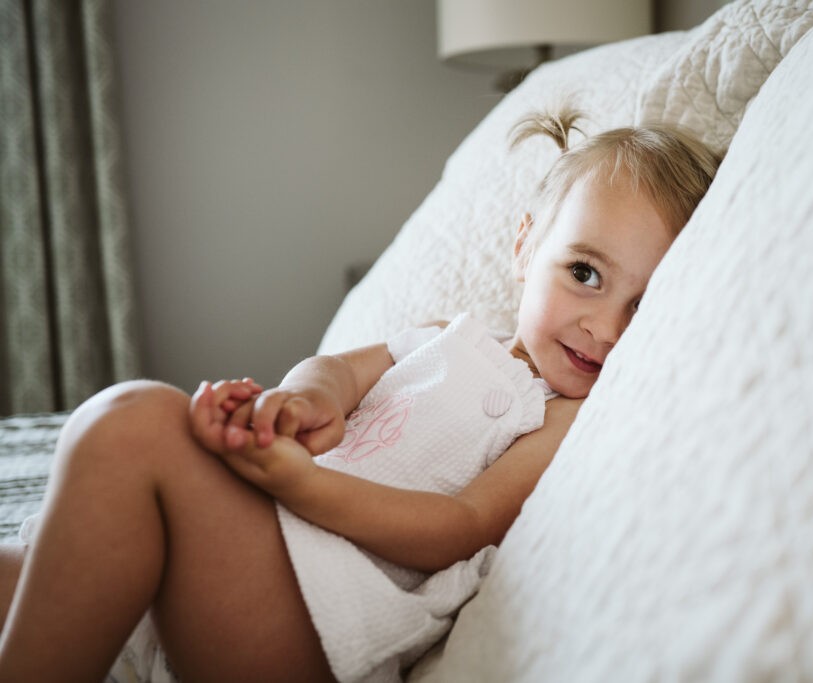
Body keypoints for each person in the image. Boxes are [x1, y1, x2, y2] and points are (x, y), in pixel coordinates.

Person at [0, 107, 719, 682]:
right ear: (526, 246)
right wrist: (302, 401)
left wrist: (301, 485)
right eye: (586, 273)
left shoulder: (562, 420)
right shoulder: (449, 334)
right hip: (247, 563)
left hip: (314, 626)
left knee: (134, 425)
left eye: (643, 308)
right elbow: (338, 370)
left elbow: (459, 524)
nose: (604, 327)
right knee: (32, 566)